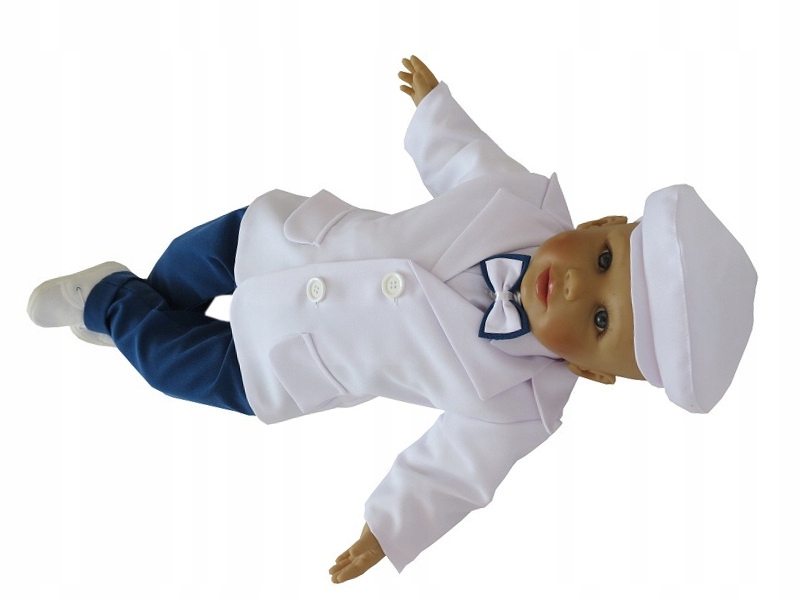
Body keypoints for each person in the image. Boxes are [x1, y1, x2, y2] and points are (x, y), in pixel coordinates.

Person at [27, 56, 757, 583]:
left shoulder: (520, 407)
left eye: (598, 319)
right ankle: (132, 305)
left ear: (592, 372)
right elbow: (463, 161)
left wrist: (388, 527)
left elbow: (454, 472)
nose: (569, 286)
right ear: (598, 223)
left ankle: (107, 299)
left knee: (168, 365)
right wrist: (434, 109)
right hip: (285, 241)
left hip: (285, 366)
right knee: (186, 267)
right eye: (600, 259)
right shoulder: (521, 201)